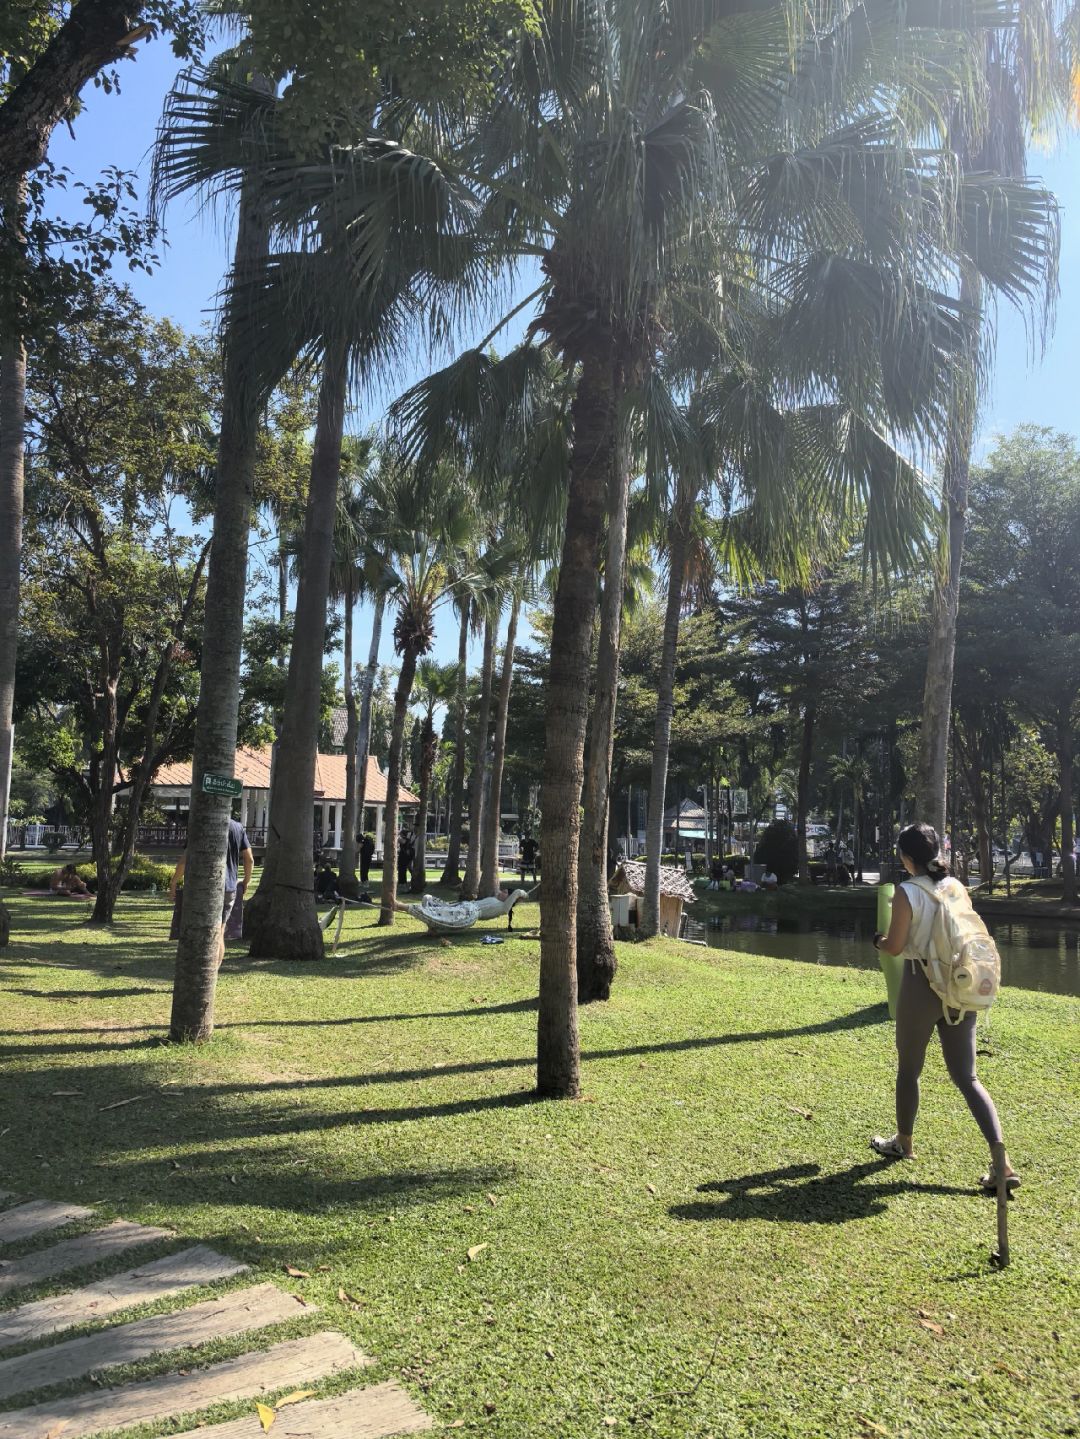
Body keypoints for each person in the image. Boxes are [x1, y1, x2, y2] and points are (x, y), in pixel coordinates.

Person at [870, 823, 1017, 1192]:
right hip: (961, 985)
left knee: (909, 1069)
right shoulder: (954, 885)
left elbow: (895, 946)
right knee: (967, 1078)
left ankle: (903, 1142)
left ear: (906, 858)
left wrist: (878, 939)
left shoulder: (907, 892)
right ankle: (1002, 1162)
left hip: (921, 984)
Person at [169, 815, 253, 968]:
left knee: (197, 929)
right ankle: (212, 972)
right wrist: (246, 881)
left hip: (201, 887)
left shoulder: (202, 823)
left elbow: (185, 859)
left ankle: (196, 969)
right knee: (219, 931)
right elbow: (250, 859)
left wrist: (174, 881)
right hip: (228, 887)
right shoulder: (237, 827)